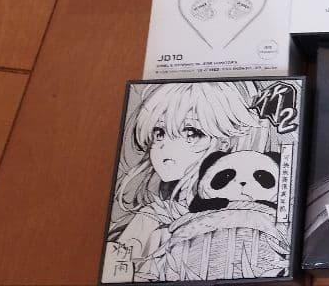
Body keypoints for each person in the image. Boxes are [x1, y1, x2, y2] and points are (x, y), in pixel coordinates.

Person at [103, 81, 260, 282]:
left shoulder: (243, 214)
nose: (166, 147)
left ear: (225, 142)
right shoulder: (150, 218)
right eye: (159, 133)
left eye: (191, 133)